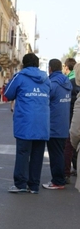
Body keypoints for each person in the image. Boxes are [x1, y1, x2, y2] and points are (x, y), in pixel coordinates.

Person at [5, 53, 51, 194]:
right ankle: (34, 186)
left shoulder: (20, 77)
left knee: (23, 153)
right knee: (38, 154)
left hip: (25, 121)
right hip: (42, 122)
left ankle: (20, 184)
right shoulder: (46, 79)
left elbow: (8, 93)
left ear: (23, 64)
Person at [41, 59, 72, 190]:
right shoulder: (67, 82)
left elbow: (45, 102)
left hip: (53, 125)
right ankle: (60, 179)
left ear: (50, 69)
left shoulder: (52, 84)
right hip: (64, 124)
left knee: (56, 155)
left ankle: (58, 181)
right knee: (60, 152)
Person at [64, 62, 80, 183]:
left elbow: (75, 133)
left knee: (69, 145)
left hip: (71, 117)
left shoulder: (70, 82)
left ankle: (66, 172)